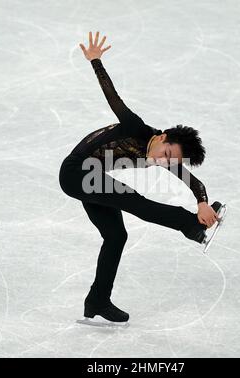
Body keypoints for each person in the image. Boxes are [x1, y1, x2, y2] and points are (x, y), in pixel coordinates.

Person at [59, 31, 221, 324]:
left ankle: (97, 301)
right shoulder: (135, 128)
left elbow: (192, 181)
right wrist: (95, 61)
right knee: (135, 201)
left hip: (92, 177)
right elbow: (113, 98)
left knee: (116, 235)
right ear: (161, 136)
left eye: (172, 158)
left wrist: (203, 203)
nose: (166, 160)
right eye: (168, 152)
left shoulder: (161, 153)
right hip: (75, 173)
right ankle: (190, 227)